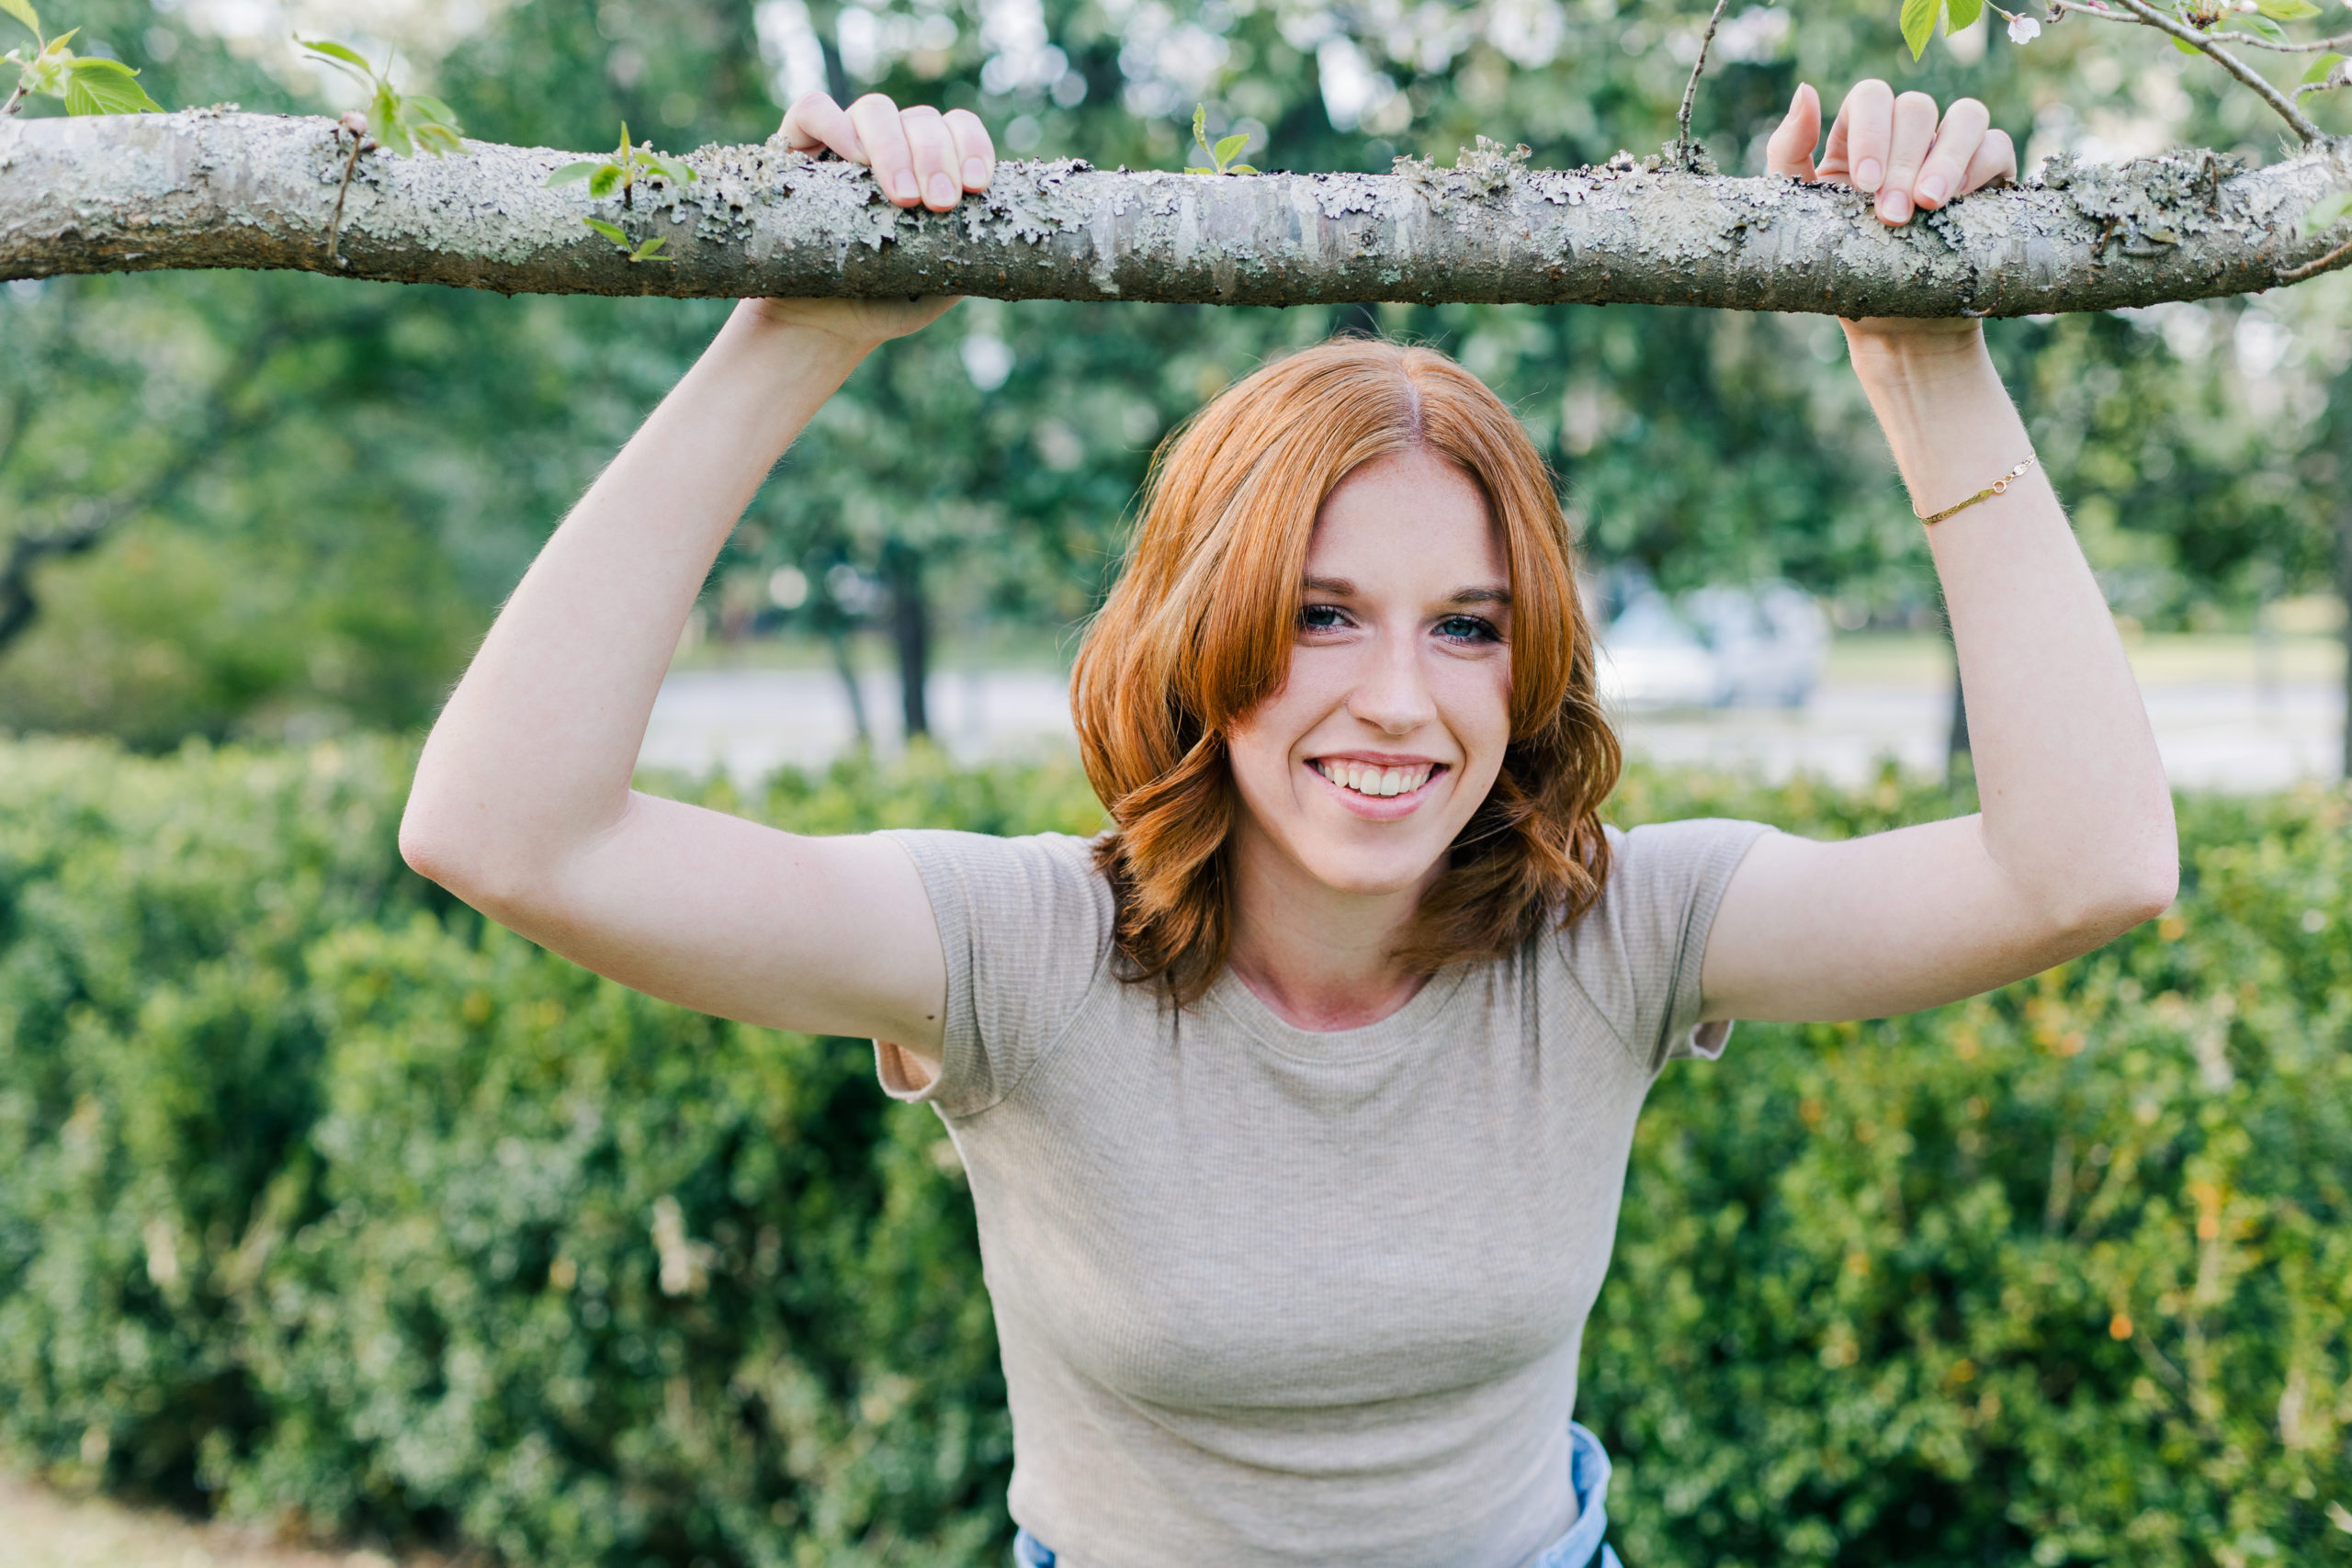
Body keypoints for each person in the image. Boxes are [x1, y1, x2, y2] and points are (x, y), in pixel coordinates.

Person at [400, 78, 2177, 1568]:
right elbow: (508, 830)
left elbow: (2084, 864)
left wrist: (1927, 358)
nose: (1400, 698)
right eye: (1324, 615)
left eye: (1465, 627)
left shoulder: (1620, 927)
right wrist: (790, 334)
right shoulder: (1021, 954)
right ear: (1207, 637)